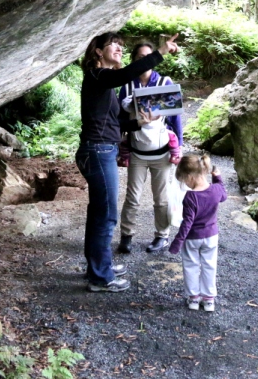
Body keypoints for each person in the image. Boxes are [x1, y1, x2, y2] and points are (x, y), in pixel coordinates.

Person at [77, 31, 179, 293]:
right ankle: (101, 277)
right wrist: (160, 53)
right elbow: (124, 75)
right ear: (98, 51)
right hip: (98, 151)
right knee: (107, 215)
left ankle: (98, 267)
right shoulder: (98, 76)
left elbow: (114, 122)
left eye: (122, 46)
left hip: (102, 150)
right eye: (115, 45)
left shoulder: (103, 83)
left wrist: (138, 122)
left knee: (99, 213)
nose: (120, 49)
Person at [117, 42, 184, 254]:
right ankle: (126, 235)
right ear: (134, 60)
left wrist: (179, 146)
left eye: (148, 56)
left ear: (154, 58)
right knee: (132, 198)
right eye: (139, 57)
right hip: (137, 152)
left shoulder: (165, 82)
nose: (144, 60)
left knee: (161, 199)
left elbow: (175, 118)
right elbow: (119, 119)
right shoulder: (126, 86)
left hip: (162, 153)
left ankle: (161, 236)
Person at [169, 153, 227, 311]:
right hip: (211, 236)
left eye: (184, 180)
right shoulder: (216, 189)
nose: (185, 184)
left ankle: (194, 299)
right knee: (209, 265)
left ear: (190, 177)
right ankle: (209, 300)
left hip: (192, 238)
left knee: (191, 266)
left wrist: (177, 241)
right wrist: (218, 178)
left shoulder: (191, 197)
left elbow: (187, 222)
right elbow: (223, 196)